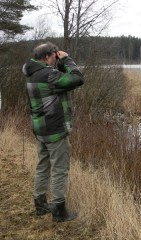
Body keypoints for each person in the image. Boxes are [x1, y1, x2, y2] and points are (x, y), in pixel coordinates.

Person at [23, 42, 84, 222]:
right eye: (54, 56)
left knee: (43, 166)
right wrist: (66, 59)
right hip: (55, 130)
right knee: (60, 169)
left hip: (40, 128)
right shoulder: (48, 75)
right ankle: (59, 211)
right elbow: (77, 78)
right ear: (47, 57)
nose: (55, 60)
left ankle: (40, 204)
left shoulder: (32, 73)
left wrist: (59, 63)